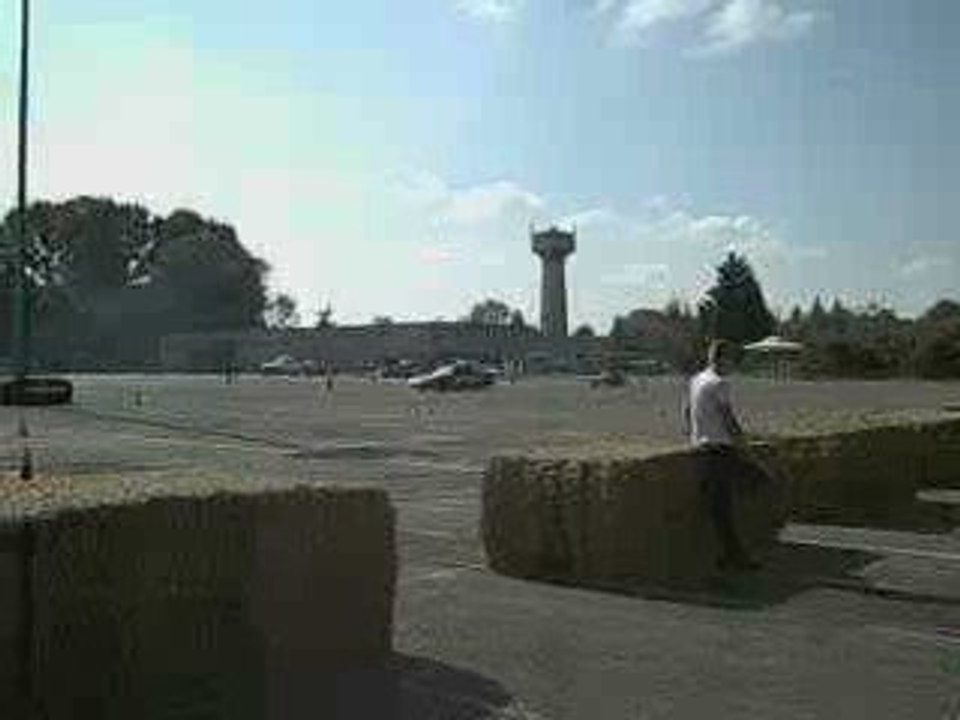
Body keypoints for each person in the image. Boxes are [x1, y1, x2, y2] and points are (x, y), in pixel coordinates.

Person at [683, 339, 766, 571]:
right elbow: (729, 420)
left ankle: (732, 553)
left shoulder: (696, 380)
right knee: (750, 488)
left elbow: (687, 411)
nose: (733, 365)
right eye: (731, 360)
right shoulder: (719, 384)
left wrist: (693, 436)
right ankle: (735, 557)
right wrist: (746, 448)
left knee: (720, 506)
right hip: (720, 450)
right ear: (722, 359)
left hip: (703, 446)